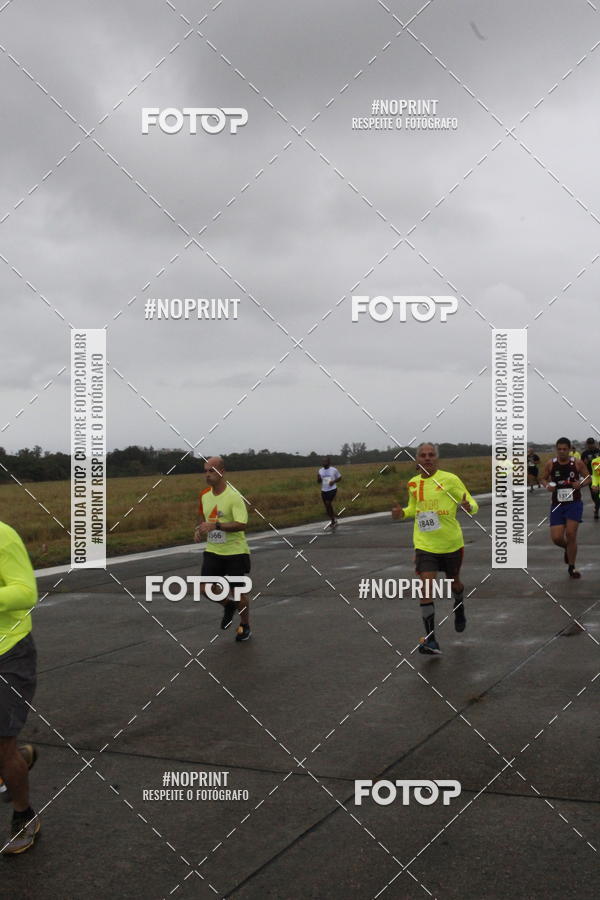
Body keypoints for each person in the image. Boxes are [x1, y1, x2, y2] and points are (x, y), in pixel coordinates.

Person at [391, 443, 479, 655]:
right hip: (425, 545)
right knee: (426, 587)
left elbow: (471, 502)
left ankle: (459, 603)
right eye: (423, 455)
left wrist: (469, 507)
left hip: (450, 544)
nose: (427, 458)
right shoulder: (413, 483)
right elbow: (414, 508)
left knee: (454, 583)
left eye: (431, 455)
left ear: (437, 459)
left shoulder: (450, 479)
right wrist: (402, 513)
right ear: (417, 459)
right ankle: (431, 640)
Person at [0, 521, 39, 854]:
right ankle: (17, 759)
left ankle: (24, 816)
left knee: (1, 742)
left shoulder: (3, 536)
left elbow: (26, 592)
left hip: (9, 652)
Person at [193, 456, 252, 641]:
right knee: (204, 588)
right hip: (213, 550)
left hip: (235, 551)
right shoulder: (205, 495)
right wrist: (199, 529)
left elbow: (242, 524)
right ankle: (228, 605)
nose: (207, 475)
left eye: (211, 471)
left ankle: (245, 625)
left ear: (222, 472)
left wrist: (216, 526)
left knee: (238, 593)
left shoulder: (234, 496)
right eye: (205, 471)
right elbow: (204, 519)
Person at [541, 438, 589, 578]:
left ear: (569, 449)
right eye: (559, 449)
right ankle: (568, 548)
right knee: (556, 538)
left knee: (571, 534)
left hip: (574, 503)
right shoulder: (551, 463)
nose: (562, 452)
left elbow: (588, 478)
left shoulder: (577, 463)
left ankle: (572, 567)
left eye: (564, 449)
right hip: (557, 504)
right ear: (556, 449)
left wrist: (581, 483)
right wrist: (547, 486)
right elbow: (543, 478)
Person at [317, 457, 341, 529]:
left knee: (328, 503)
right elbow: (319, 482)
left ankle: (333, 521)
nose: (323, 463)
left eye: (325, 461)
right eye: (323, 462)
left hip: (332, 489)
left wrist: (333, 481)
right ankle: (333, 519)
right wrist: (318, 478)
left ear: (329, 462)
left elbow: (340, 478)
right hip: (324, 490)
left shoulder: (334, 470)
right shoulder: (320, 470)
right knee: (327, 507)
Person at [580, 437, 600, 520]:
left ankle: (596, 509)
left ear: (594, 443)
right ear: (587, 444)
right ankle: (596, 507)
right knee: (594, 495)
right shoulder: (584, 454)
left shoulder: (598, 451)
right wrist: (584, 464)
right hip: (591, 477)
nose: (591, 445)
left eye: (592, 444)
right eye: (589, 444)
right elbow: (581, 466)